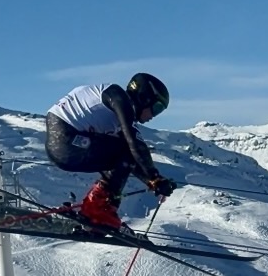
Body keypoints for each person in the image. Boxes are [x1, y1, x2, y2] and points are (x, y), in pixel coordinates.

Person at [44, 72, 177, 230]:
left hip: (62, 143)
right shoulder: (118, 96)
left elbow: (130, 160)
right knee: (125, 149)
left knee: (123, 154)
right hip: (68, 138)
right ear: (144, 97)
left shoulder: (116, 107)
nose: (154, 116)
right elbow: (134, 143)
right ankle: (98, 210)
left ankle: (99, 210)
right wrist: (155, 178)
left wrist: (153, 181)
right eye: (156, 108)